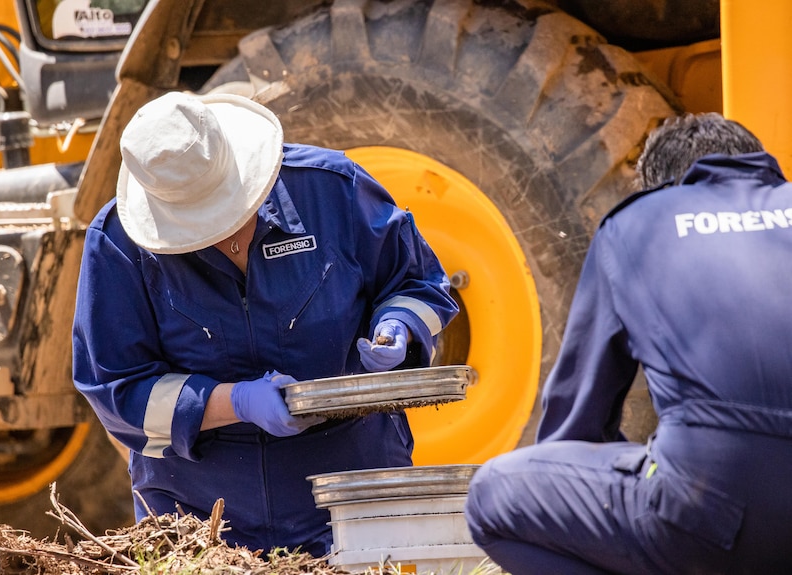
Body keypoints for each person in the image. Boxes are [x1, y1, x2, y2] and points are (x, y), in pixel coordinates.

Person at [72, 90, 458, 556]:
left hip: (354, 494)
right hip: (199, 518)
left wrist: (400, 325)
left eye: (228, 213)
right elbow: (116, 391)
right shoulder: (118, 245)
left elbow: (420, 283)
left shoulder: (332, 189)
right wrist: (232, 402)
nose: (223, 235)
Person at [464, 112, 792, 574]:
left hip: (716, 514)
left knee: (492, 497)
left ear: (660, 189)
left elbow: (574, 430)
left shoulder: (637, 222)